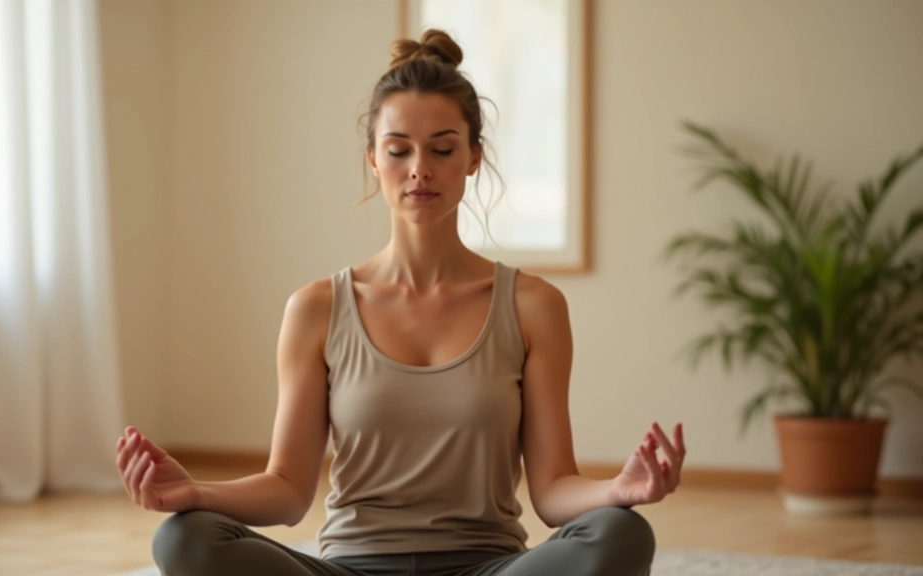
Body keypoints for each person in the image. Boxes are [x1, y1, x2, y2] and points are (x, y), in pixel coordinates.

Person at [115, 29, 686, 576]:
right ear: (372, 160)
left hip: (488, 566)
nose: (419, 168)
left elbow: (554, 488)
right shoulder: (316, 309)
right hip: (353, 568)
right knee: (183, 537)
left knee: (621, 533)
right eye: (398, 150)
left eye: (442, 148)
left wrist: (619, 491)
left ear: (472, 158)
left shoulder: (534, 307)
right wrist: (196, 493)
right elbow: (288, 489)